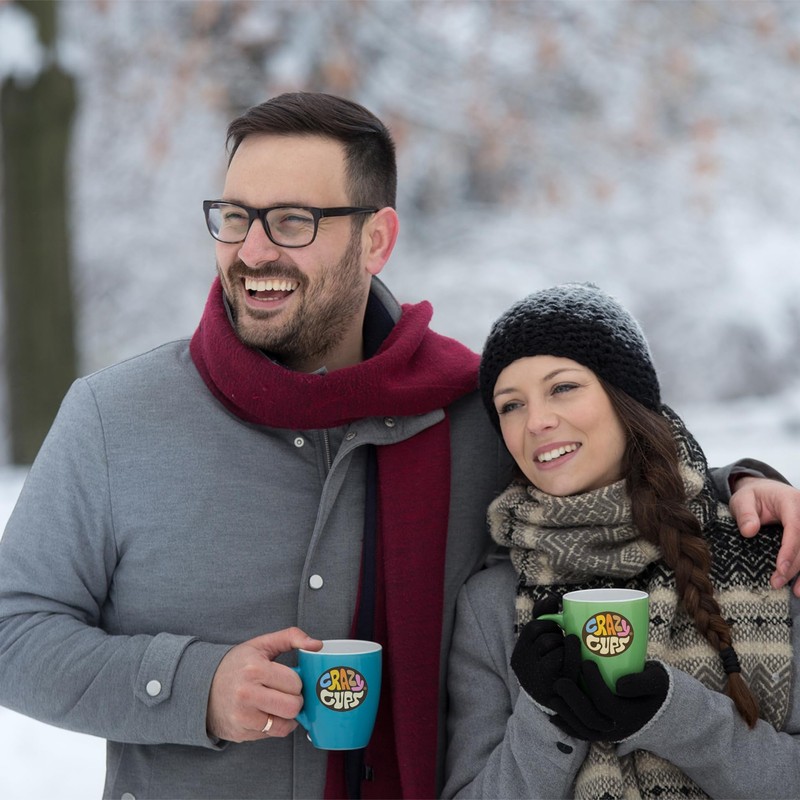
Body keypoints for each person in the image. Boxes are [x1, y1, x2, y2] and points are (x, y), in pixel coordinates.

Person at [0, 93, 796, 800]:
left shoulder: (469, 411)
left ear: (376, 239)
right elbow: (13, 631)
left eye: (291, 221)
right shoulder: (116, 419)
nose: (251, 252)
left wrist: (741, 490)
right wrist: (191, 687)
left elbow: (604, 464)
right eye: (234, 216)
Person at [442, 283, 800, 799]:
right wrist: (546, 717)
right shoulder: (490, 605)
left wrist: (676, 717)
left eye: (562, 387)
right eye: (510, 405)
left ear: (624, 397)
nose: (536, 421)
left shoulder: (769, 551)